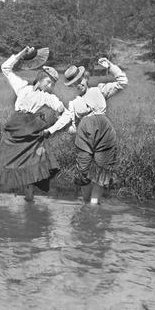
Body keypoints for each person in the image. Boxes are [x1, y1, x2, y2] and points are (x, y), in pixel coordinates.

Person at [0, 46, 73, 202]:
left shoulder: (49, 97)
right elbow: (5, 68)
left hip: (30, 138)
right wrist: (21, 53)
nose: (50, 87)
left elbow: (67, 114)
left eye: (53, 84)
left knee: (29, 173)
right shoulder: (22, 87)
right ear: (40, 79)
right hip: (11, 135)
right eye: (49, 82)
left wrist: (51, 130)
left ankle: (29, 203)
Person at [63, 57, 128, 205]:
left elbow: (122, 82)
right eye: (74, 83)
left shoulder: (99, 90)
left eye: (80, 80)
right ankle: (86, 203)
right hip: (85, 137)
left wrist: (110, 66)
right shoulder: (73, 103)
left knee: (103, 167)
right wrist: (69, 127)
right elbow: (72, 128)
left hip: (105, 134)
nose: (78, 84)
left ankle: (94, 202)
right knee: (83, 170)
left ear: (85, 78)